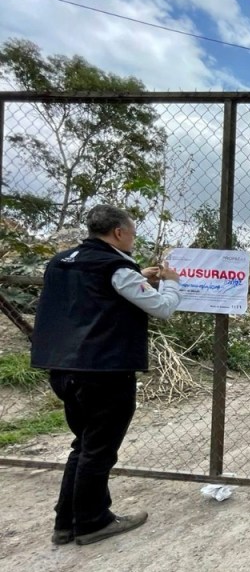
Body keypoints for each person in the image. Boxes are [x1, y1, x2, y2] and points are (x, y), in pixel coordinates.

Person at [31, 204, 181, 546]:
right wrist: (171, 283)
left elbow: (92, 297)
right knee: (99, 450)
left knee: (84, 444)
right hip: (104, 371)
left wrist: (137, 275)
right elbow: (163, 308)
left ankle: (66, 522)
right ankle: (92, 522)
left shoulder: (61, 262)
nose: (133, 239)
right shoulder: (116, 267)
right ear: (118, 232)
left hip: (63, 368)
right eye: (132, 233)